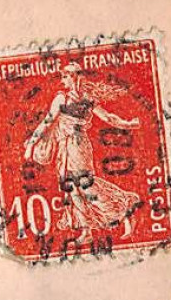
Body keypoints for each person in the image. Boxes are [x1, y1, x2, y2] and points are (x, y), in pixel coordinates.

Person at [23, 62, 141, 233]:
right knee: (72, 188)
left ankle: (122, 209)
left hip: (77, 146)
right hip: (67, 146)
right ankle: (86, 229)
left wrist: (129, 124)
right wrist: (31, 145)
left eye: (65, 76)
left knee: (85, 185)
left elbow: (108, 117)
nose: (63, 81)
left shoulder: (79, 99)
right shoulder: (65, 98)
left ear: (74, 77)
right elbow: (47, 122)